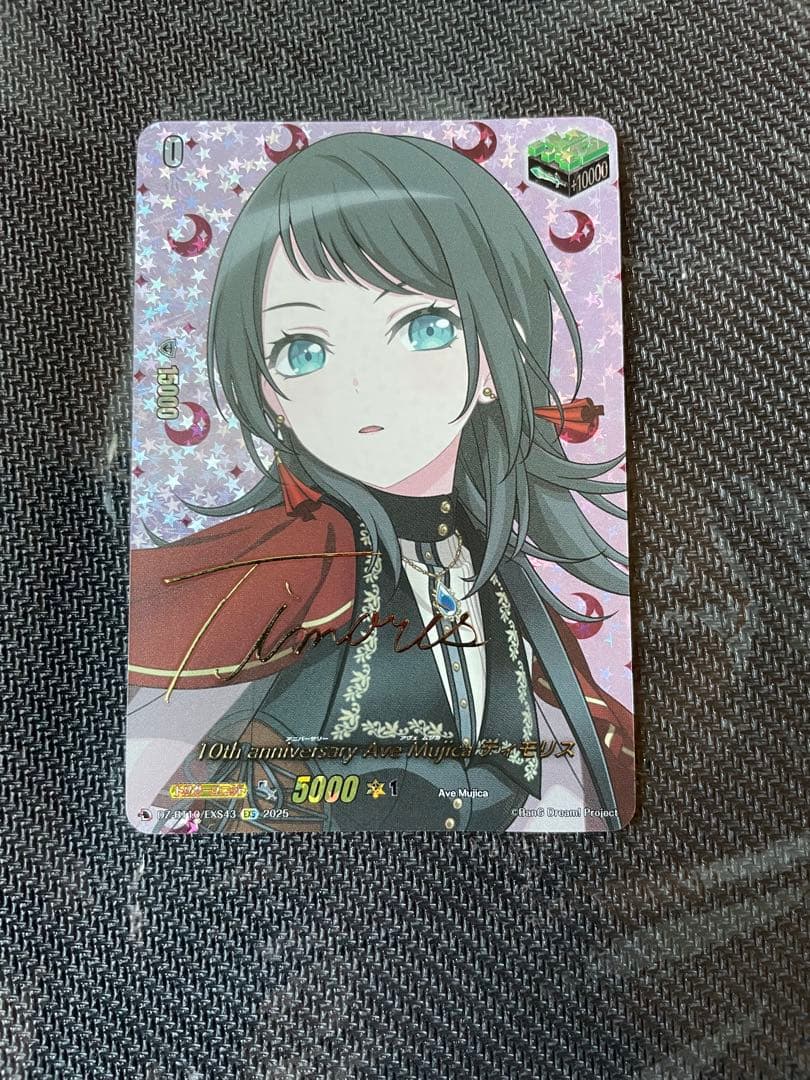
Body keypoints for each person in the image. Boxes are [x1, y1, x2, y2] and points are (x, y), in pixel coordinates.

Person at [127, 132, 634, 834]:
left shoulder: (502, 578)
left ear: (497, 356)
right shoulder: (293, 563)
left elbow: (582, 777)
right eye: (304, 350)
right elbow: (164, 767)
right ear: (269, 391)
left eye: (425, 327)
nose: (363, 386)